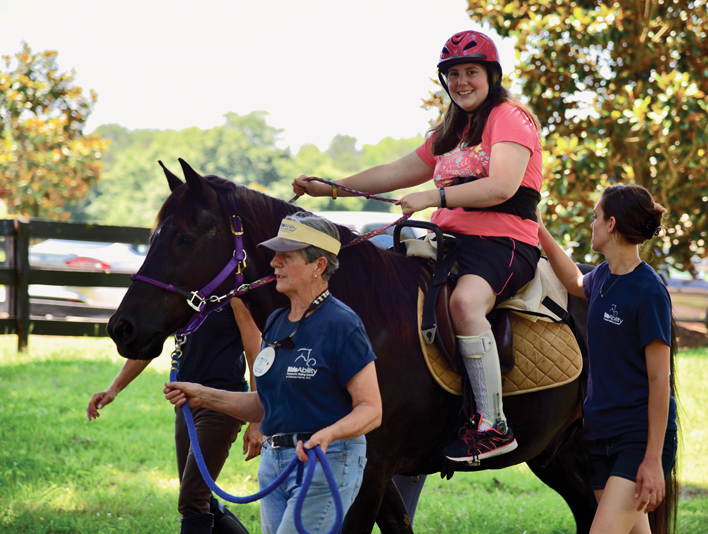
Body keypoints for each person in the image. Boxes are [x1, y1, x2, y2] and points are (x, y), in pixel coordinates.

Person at [292, 30, 543, 462]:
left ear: (492, 76)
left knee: (466, 304)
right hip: (448, 241)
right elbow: (395, 171)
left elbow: (502, 186)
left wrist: (433, 197)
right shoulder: (450, 131)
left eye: (471, 72)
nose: (462, 82)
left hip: (503, 243)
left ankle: (492, 423)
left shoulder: (510, 118)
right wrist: (332, 188)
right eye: (453, 75)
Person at [164, 212, 382, 534]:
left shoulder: (342, 324)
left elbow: (371, 410)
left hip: (325, 461)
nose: (274, 263)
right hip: (275, 461)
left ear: (318, 266)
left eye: (286, 256)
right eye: (275, 254)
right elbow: (267, 404)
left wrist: (328, 434)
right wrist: (204, 395)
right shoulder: (277, 321)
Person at [536, 184, 679, 534]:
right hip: (599, 435)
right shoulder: (601, 277)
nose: (592, 224)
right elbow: (572, 279)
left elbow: (660, 380)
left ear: (611, 224)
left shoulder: (649, 291)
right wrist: (538, 227)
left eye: (596, 217)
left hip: (636, 437)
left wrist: (652, 459)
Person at [87, 298, 264, 534]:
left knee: (192, 499)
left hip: (223, 404)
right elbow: (149, 347)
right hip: (186, 404)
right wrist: (113, 389)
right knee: (200, 498)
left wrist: (257, 419)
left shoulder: (235, 297)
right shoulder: (184, 295)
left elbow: (255, 355)